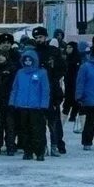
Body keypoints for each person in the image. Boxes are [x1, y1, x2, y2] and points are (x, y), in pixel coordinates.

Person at [9, 48, 50, 161]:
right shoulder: (20, 73)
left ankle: (39, 151)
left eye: (29, 60)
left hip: (36, 107)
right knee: (24, 131)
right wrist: (12, 102)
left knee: (37, 130)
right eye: (25, 60)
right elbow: (15, 88)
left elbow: (45, 90)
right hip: (22, 106)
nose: (27, 62)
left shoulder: (42, 73)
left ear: (34, 60)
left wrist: (44, 105)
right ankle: (28, 151)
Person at [32, 27, 66, 155]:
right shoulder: (34, 52)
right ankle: (42, 144)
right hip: (37, 90)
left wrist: (53, 77)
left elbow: (63, 67)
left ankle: (57, 144)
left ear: (45, 37)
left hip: (52, 89)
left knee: (54, 120)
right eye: (36, 38)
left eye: (40, 37)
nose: (38, 40)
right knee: (39, 120)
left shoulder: (54, 51)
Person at [0, 33, 19, 155]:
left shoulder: (13, 65)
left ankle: (11, 145)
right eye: (4, 42)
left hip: (9, 98)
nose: (6, 45)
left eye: (8, 43)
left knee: (10, 124)